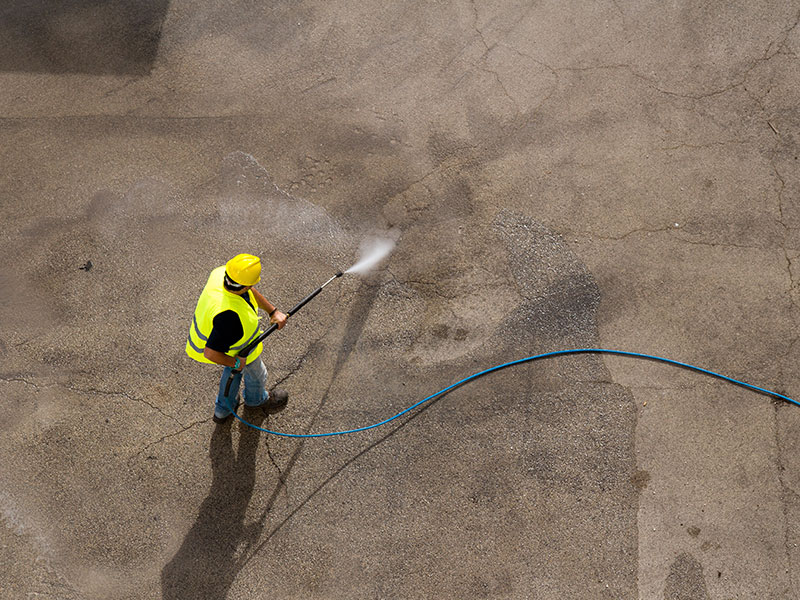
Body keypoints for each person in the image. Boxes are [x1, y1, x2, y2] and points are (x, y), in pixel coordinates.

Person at [186, 253, 289, 423]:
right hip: (235, 349)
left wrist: (273, 311)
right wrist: (235, 362)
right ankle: (256, 399)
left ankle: (222, 411)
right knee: (255, 373)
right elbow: (211, 353)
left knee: (233, 373)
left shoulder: (221, 274)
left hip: (222, 342)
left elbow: (249, 291)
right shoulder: (229, 318)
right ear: (247, 285)